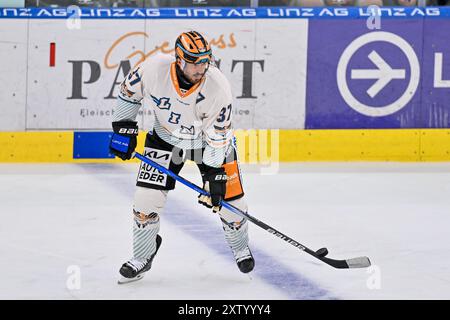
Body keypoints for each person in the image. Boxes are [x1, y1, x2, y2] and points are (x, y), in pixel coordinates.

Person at [109, 31, 254, 284]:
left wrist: (214, 174)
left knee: (231, 205)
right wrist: (124, 128)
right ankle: (143, 255)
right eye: (194, 62)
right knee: (145, 201)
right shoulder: (153, 69)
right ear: (179, 59)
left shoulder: (217, 87)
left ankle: (240, 247)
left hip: (208, 144)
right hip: (165, 139)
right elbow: (128, 94)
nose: (200, 68)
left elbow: (218, 138)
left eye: (204, 61)